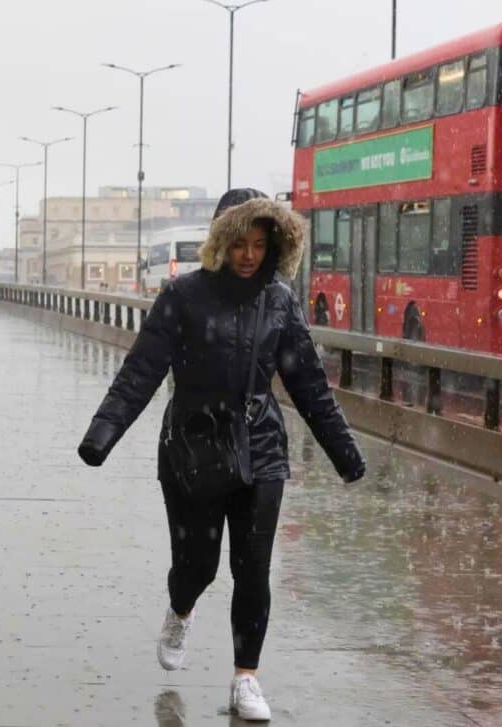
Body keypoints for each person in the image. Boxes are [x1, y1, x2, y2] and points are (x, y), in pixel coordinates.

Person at [77, 189, 366, 721]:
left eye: (260, 245)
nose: (249, 256)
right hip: (193, 447)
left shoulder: (279, 301)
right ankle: (180, 609)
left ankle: (246, 678)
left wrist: (344, 452)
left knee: (252, 569)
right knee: (198, 565)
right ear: (220, 243)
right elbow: (140, 371)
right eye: (240, 244)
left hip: (260, 450)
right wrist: (103, 434)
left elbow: (308, 386)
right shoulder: (182, 296)